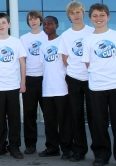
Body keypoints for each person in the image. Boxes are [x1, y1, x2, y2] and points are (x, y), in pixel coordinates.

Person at [82, 3, 116, 166]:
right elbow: (87, 63)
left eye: (102, 15)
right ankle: (101, 155)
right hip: (97, 86)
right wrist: (99, 74)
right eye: (95, 16)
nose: (99, 19)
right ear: (90, 19)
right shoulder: (88, 39)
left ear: (108, 17)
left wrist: (112, 73)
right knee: (99, 123)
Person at [0, 12, 26, 159]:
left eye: (4, 22)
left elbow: (22, 62)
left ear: (9, 24)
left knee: (14, 119)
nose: (1, 25)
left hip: (13, 86)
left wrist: (23, 82)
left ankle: (14, 147)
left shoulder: (16, 42)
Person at [58, 0, 94, 162]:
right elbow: (64, 58)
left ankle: (100, 152)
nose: (75, 15)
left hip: (93, 78)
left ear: (83, 13)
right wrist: (75, 70)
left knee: (95, 116)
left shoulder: (93, 32)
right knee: (76, 115)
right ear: (69, 16)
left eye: (78, 12)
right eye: (72, 13)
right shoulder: (66, 35)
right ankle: (79, 150)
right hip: (73, 79)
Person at [38, 16, 72, 159]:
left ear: (56, 25)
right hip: (47, 89)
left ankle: (67, 149)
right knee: (50, 121)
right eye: (45, 24)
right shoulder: (42, 45)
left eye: (50, 24)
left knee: (64, 120)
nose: (47, 26)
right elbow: (43, 66)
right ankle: (52, 147)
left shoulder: (63, 41)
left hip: (62, 87)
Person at [19, 10, 48, 154]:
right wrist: (23, 81)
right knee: (29, 114)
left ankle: (52, 145)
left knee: (49, 114)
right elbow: (22, 61)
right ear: (28, 22)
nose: (33, 21)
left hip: (46, 79)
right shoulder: (24, 38)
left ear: (40, 20)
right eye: (30, 19)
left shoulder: (48, 36)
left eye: (36, 18)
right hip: (30, 78)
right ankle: (30, 144)